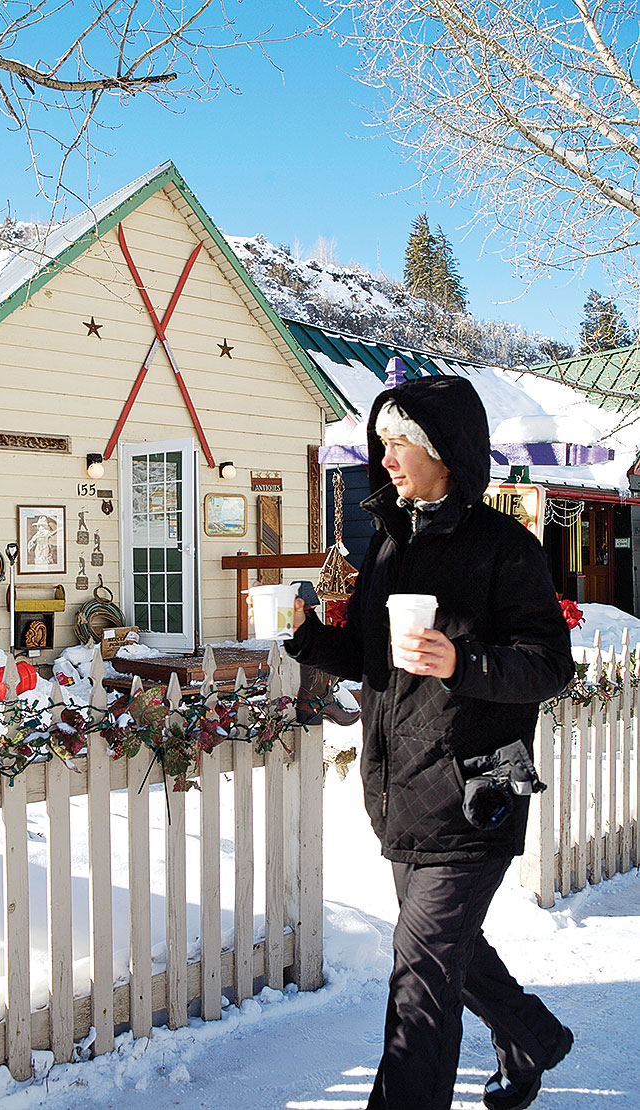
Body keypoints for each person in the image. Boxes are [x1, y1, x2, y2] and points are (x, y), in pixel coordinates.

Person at [284, 376, 575, 1110]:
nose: (384, 460)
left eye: (398, 444)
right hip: (404, 789)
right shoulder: (389, 545)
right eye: (381, 444)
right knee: (446, 950)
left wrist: (462, 661)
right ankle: (532, 1037)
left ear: (443, 450)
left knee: (420, 969)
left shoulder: (505, 549)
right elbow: (373, 661)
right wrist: (310, 637)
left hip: (477, 792)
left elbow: (550, 666)